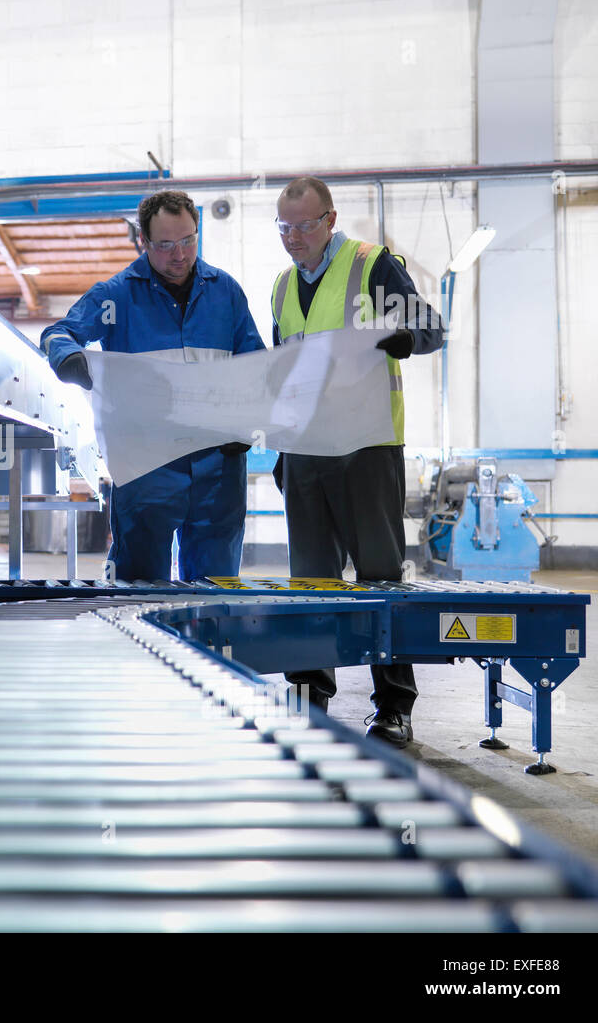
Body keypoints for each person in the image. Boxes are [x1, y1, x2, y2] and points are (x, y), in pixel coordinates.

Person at [270, 176, 444, 748]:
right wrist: (279, 447)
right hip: (307, 450)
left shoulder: (371, 266)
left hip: (368, 447)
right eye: (284, 227)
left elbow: (431, 326)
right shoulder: (280, 288)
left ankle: (395, 705)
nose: (294, 238)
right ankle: (309, 693)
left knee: (378, 577)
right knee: (309, 581)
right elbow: (283, 372)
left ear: (331, 219)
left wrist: (403, 336)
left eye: (305, 225)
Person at [39, 190, 266, 582]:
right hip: (146, 469)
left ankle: (207, 646)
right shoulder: (117, 296)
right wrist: (69, 360)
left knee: (217, 591)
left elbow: (257, 366)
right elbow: (57, 334)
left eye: (188, 240)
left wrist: (247, 423)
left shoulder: (225, 292)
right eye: (164, 245)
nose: (179, 254)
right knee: (139, 590)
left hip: (219, 470)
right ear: (143, 242)